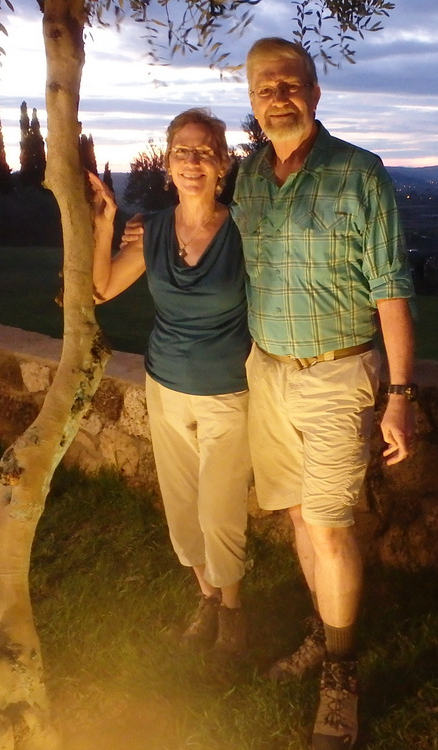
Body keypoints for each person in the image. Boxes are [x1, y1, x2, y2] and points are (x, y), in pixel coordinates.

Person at [235, 36, 417, 749]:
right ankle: (323, 630)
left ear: (314, 91)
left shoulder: (360, 174)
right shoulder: (249, 176)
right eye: (263, 86)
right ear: (251, 102)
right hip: (267, 369)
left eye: (289, 82)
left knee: (333, 526)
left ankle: (341, 676)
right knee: (300, 521)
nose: (276, 94)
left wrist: (399, 393)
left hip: (339, 373)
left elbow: (393, 291)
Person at [89, 107, 252, 662]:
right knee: (181, 507)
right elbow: (102, 286)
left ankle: (233, 612)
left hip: (229, 390)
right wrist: (107, 219)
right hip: (165, 386)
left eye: (204, 151)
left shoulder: (245, 229)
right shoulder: (153, 229)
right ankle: (206, 598)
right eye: (182, 151)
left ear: (222, 163)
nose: (192, 161)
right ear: (167, 161)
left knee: (220, 510)